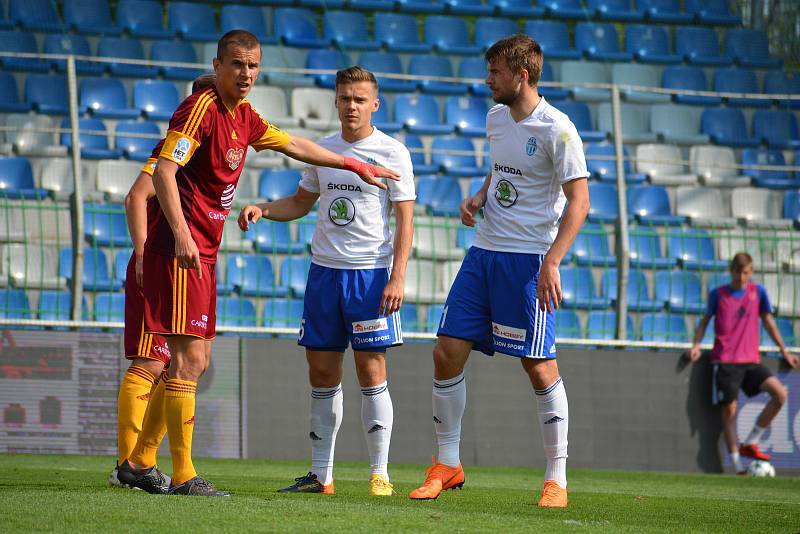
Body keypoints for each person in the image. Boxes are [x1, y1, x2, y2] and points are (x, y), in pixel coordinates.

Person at [118, 30, 399, 497]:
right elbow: (163, 172)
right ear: (218, 64)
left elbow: (294, 145)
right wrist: (183, 232)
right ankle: (183, 475)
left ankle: (140, 461)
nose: (245, 74)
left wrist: (352, 165)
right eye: (236, 65)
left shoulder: (243, 118)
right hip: (180, 251)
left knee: (198, 359)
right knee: (183, 360)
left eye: (252, 66)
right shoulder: (200, 109)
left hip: (204, 253)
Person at [408, 34, 589, 508]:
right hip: (483, 253)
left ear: (521, 75)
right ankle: (447, 464)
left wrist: (552, 261)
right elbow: (502, 167)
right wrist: (480, 195)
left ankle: (557, 480)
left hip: (528, 261)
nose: (488, 81)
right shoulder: (494, 118)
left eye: (495, 73)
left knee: (538, 365)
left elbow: (580, 202)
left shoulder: (559, 130)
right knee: (446, 351)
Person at [238, 66, 415, 497]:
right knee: (321, 371)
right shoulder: (324, 150)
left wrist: (397, 276)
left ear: (375, 104)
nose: (351, 106)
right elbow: (301, 201)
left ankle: (379, 473)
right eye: (344, 98)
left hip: (370, 276)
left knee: (371, 369)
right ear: (335, 101)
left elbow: (407, 219)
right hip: (324, 275)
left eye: (359, 99)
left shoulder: (392, 153)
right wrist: (263, 207)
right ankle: (322, 475)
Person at [111, 74, 216, 491]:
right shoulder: (177, 148)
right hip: (157, 265)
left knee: (178, 363)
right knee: (151, 361)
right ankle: (128, 463)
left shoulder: (200, 157)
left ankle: (140, 460)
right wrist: (141, 252)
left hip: (182, 267)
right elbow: (137, 196)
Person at [688, 252, 798, 474]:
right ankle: (738, 467)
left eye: (746, 272)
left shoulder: (757, 293)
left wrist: (784, 351)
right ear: (731, 271)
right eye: (738, 272)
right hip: (726, 361)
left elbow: (768, 322)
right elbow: (705, 322)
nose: (741, 277)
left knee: (780, 394)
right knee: (729, 412)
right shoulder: (718, 295)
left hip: (750, 361)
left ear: (751, 271)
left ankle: (751, 441)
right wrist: (696, 345)